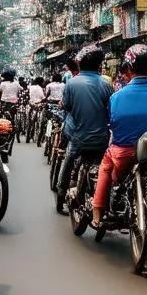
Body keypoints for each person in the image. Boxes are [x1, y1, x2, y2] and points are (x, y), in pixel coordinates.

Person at [94, 44, 147, 229]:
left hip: (123, 152)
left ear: (129, 68)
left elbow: (111, 123)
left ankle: (97, 211)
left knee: (105, 167)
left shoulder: (116, 96)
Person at [55, 44, 113, 212]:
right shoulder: (106, 85)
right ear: (99, 65)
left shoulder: (72, 84)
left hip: (78, 138)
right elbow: (109, 110)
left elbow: (67, 106)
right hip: (101, 140)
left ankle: (60, 193)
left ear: (80, 64)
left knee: (68, 161)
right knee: (105, 168)